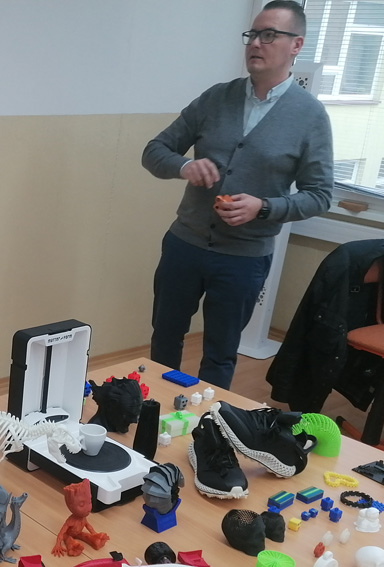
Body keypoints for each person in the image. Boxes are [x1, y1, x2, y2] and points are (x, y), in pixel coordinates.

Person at [142, 0, 332, 389]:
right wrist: (184, 166)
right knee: (164, 340)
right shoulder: (216, 98)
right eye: (253, 35)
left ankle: (208, 422)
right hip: (185, 244)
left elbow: (319, 195)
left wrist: (264, 208)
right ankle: (151, 410)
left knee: (220, 352)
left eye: (269, 35)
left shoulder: (310, 116)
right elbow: (154, 151)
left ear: (296, 45)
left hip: (243, 259)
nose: (256, 43)